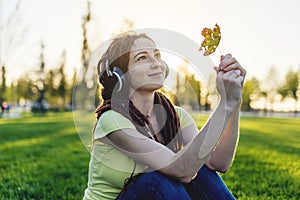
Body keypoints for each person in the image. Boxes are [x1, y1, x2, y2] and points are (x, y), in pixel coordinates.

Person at [83, 31, 246, 200]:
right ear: (121, 74)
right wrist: (224, 106)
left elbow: (217, 163)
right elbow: (181, 169)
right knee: (156, 179)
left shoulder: (177, 115)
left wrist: (234, 100)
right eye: (142, 58)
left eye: (157, 55)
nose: (156, 63)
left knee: (199, 167)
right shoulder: (112, 118)